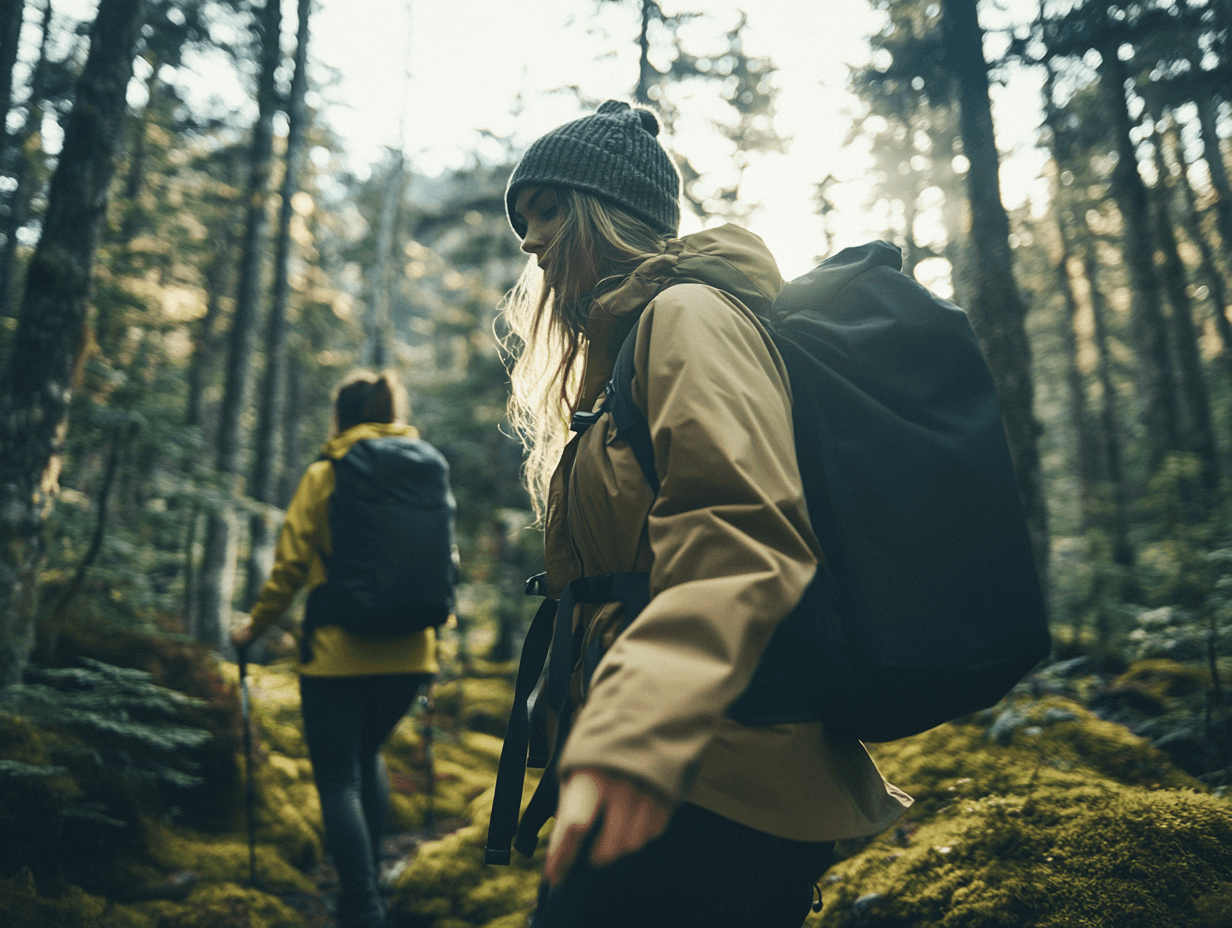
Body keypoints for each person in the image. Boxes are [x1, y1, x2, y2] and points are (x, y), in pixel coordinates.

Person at [499, 100, 913, 928]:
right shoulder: (623, 352)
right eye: (523, 222)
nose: (530, 241)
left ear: (607, 212)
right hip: (673, 757)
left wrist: (634, 737)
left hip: (712, 771)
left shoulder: (688, 317)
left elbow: (739, 532)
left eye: (549, 212)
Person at [231, 370, 439, 928]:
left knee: (338, 778)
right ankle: (371, 886)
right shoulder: (423, 470)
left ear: (340, 417)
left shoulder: (327, 473)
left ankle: (362, 905)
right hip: (412, 655)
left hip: (337, 655)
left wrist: (253, 628)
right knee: (367, 754)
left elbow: (291, 568)